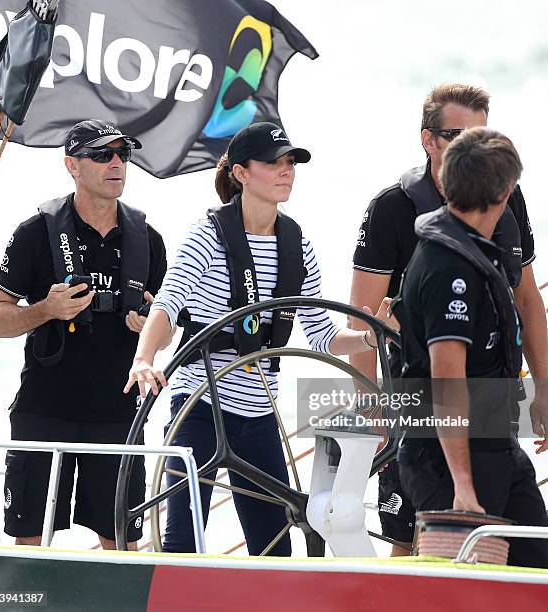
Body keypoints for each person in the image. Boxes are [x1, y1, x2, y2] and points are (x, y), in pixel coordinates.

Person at [124, 121, 393, 555]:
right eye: (274, 163)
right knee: (181, 542)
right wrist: (144, 358)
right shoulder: (207, 234)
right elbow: (168, 303)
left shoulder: (297, 244)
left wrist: (371, 338)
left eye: (290, 163)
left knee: (275, 548)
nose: (286, 171)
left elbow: (322, 336)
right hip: (199, 405)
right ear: (241, 173)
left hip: (259, 413)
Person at [349, 83, 548, 555]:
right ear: (429, 140)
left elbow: (528, 302)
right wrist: (370, 410)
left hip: (493, 414)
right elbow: (363, 323)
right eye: (458, 134)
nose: (470, 146)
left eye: (480, 135)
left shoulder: (506, 207)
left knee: (529, 557)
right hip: (420, 410)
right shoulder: (397, 213)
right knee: (413, 546)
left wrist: (542, 389)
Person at [0, 119, 167, 550]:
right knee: (31, 544)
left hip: (119, 412)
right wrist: (46, 309)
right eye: (103, 155)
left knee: (121, 545)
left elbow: (170, 326)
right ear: (72, 165)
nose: (117, 164)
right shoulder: (35, 233)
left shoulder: (149, 241)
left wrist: (151, 329)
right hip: (45, 408)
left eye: (123, 155)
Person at [395, 126, 548, 568]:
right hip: (446, 462)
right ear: (505, 193)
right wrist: (462, 486)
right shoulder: (448, 267)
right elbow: (447, 381)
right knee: (462, 592)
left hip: (495, 444)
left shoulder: (473, 246)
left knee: (536, 572)